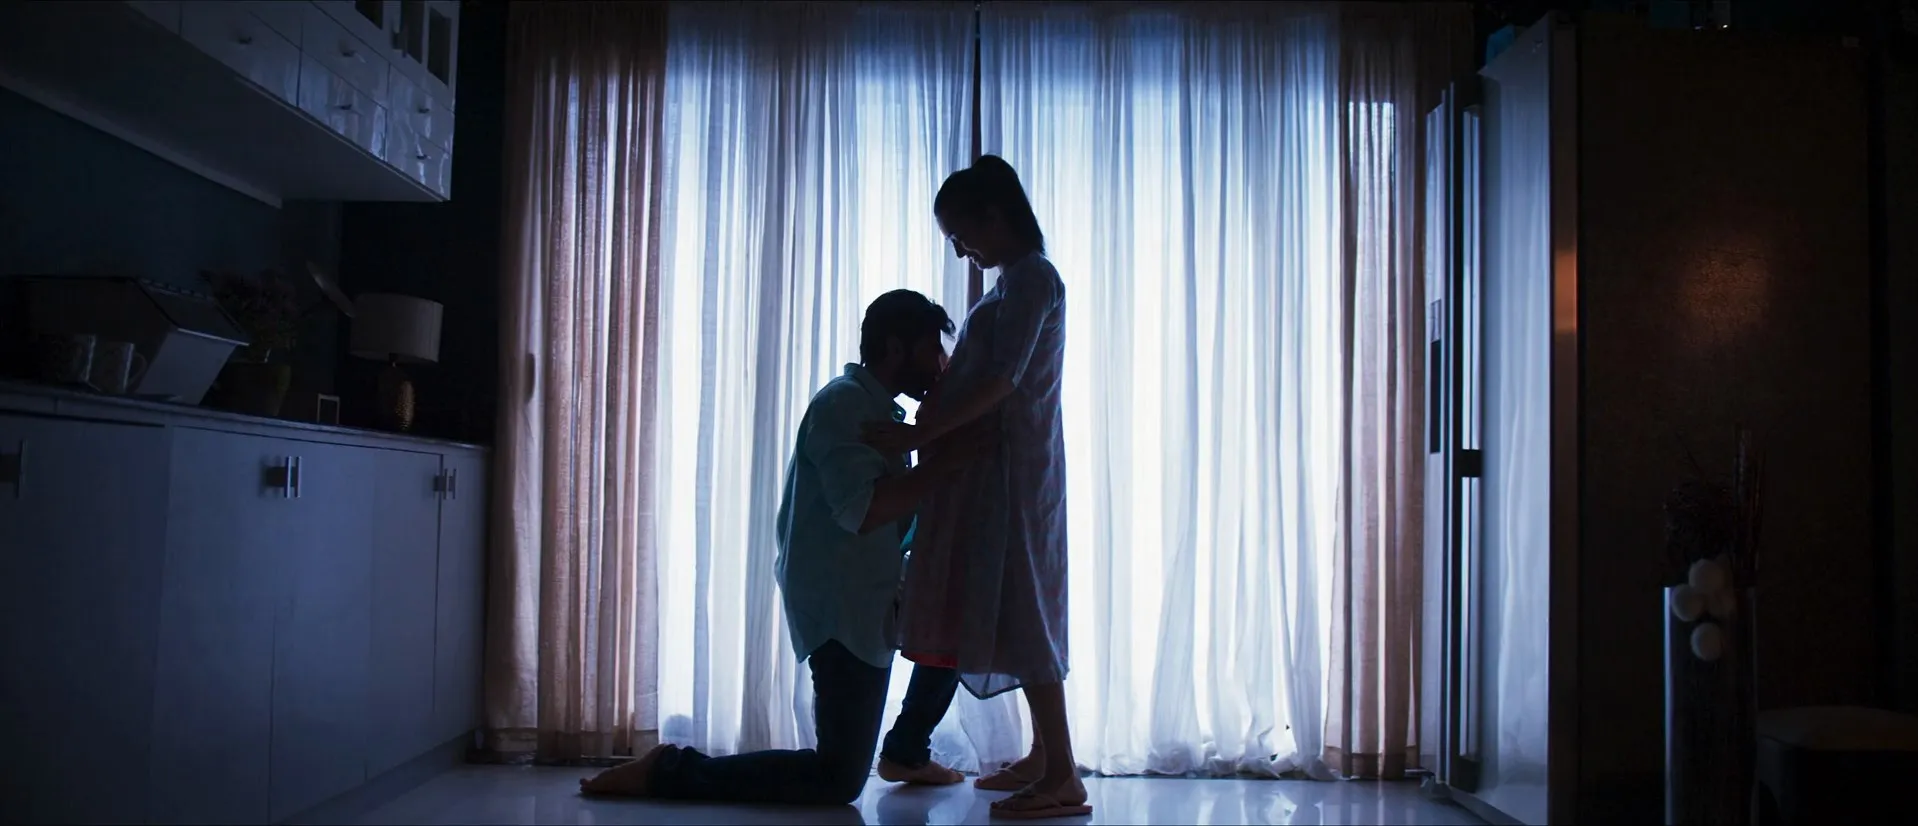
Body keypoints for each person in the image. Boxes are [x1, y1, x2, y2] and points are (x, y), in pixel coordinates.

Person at [578, 289, 984, 805]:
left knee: (958, 620)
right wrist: (948, 462)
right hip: (841, 606)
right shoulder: (844, 405)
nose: (941, 364)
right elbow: (864, 510)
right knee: (837, 779)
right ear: (895, 348)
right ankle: (667, 769)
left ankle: (908, 748)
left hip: (866, 596)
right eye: (931, 350)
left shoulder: (879, 411)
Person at [864, 155, 1088, 820]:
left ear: (995, 216)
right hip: (1000, 471)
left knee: (1028, 611)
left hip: (1015, 473)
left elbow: (1002, 380)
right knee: (1019, 609)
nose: (962, 251)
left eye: (962, 234)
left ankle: (1064, 776)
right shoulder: (1014, 282)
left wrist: (919, 435)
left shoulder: (1032, 279)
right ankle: (1044, 756)